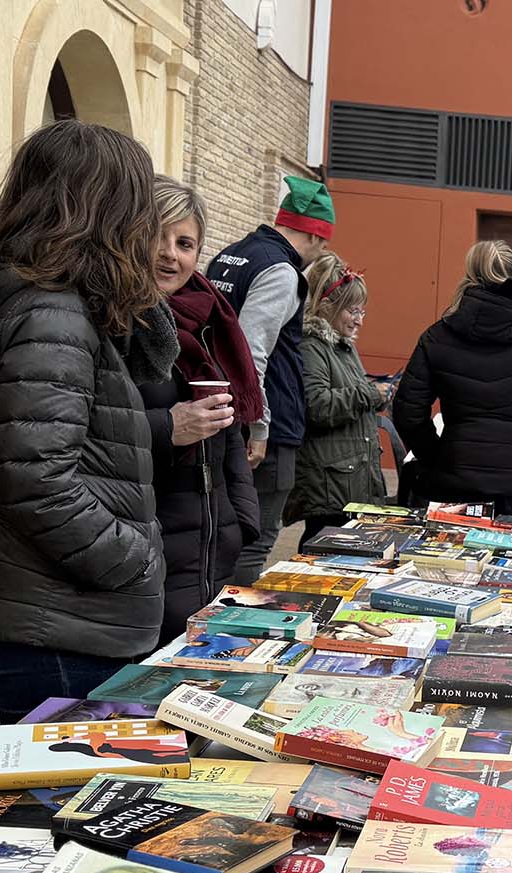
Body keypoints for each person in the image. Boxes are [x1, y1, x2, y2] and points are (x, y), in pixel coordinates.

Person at [0, 119, 172, 723]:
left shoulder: (73, 308)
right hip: (58, 621)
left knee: (59, 799)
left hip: (65, 613)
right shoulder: (53, 315)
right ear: (106, 212)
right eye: (139, 206)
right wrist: (129, 557)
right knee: (55, 803)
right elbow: (34, 478)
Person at [142, 177, 264, 640]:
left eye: (184, 242)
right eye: (157, 236)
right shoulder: (115, 320)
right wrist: (169, 426)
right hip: (150, 541)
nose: (169, 253)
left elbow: (228, 427)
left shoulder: (210, 318)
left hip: (211, 539)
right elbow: (94, 431)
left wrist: (242, 521)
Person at [208, 176, 335, 583]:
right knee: (256, 537)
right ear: (315, 236)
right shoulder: (282, 271)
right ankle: (223, 633)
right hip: (265, 426)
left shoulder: (231, 256)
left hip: (221, 412)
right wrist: (258, 427)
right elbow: (250, 350)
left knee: (221, 531)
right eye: (324, 244)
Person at [393, 240, 512, 514]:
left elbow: (408, 412)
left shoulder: (437, 336)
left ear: (470, 274)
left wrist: (439, 456)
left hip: (453, 481)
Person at [286, 253, 387, 542]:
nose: (359, 321)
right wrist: (370, 393)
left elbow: (348, 395)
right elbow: (316, 406)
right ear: (328, 307)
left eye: (362, 312)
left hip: (349, 483)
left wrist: (379, 395)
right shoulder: (311, 347)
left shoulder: (343, 347)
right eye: (352, 311)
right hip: (330, 487)